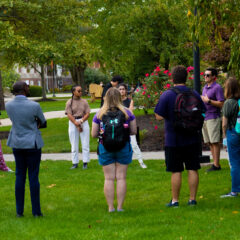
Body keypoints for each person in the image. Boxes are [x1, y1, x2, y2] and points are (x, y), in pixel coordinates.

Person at [154, 65, 205, 207]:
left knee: (176, 170)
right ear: (186, 78)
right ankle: (192, 199)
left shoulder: (167, 95)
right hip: (192, 137)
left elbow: (158, 116)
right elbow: (202, 111)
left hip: (173, 139)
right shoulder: (194, 93)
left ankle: (175, 200)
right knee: (192, 168)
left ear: (172, 78)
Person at [92, 88, 137, 212]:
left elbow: (94, 134)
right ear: (119, 97)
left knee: (109, 178)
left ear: (106, 97)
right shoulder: (128, 113)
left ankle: (111, 207)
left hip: (105, 147)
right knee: (121, 177)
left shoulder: (99, 113)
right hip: (123, 146)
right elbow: (133, 131)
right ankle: (120, 207)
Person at [6, 81, 46, 217]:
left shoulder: (8, 105)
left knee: (19, 175)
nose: (29, 88)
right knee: (33, 176)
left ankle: (19, 212)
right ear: (24, 89)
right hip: (32, 143)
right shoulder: (34, 105)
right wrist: (35, 123)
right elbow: (43, 121)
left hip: (16, 142)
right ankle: (36, 212)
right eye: (27, 86)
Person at [118, 83, 147, 168]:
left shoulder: (130, 101)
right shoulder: (116, 101)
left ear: (126, 90)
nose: (121, 91)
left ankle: (141, 162)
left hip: (128, 125)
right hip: (119, 126)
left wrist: (121, 110)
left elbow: (129, 113)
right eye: (120, 89)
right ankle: (121, 163)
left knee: (134, 144)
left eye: (123, 89)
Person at [201, 67, 224, 172]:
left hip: (213, 117)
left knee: (215, 142)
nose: (205, 77)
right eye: (204, 75)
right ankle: (214, 164)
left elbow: (221, 103)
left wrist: (208, 101)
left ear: (214, 77)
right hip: (205, 117)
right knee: (209, 142)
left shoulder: (217, 87)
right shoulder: (205, 87)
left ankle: (216, 165)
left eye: (208, 75)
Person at [221, 77, 240, 198]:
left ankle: (235, 190)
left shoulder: (229, 102)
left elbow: (224, 123)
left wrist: (224, 138)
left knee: (235, 163)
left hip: (233, 133)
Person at [65, 85, 90, 169]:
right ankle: (75, 163)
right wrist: (75, 123)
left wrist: (81, 121)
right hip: (73, 122)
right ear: (73, 92)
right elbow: (68, 114)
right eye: (78, 91)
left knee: (85, 143)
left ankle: (85, 162)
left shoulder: (84, 101)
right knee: (74, 143)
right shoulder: (69, 102)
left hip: (83, 121)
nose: (80, 92)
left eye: (81, 91)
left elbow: (87, 113)